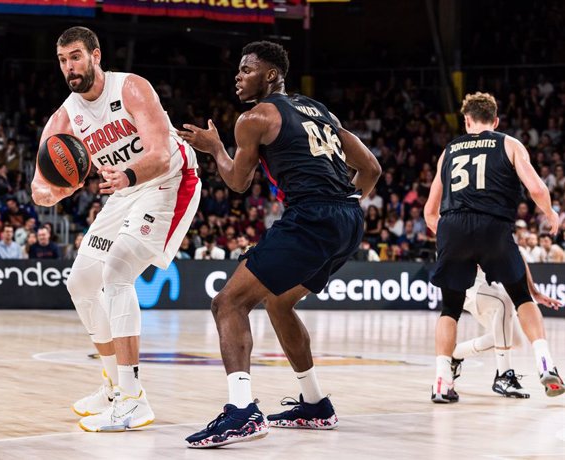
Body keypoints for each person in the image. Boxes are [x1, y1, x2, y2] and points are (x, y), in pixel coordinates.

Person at [178, 41, 380, 448]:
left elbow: (237, 182)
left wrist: (215, 148)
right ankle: (315, 403)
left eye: (246, 69)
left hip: (312, 218)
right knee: (279, 302)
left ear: (271, 76)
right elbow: (371, 168)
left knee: (228, 303)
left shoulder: (253, 118)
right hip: (349, 219)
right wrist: (343, 205)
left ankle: (241, 413)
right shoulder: (321, 111)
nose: (238, 76)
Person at [30, 27, 200, 432]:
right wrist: (54, 191)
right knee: (81, 283)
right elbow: (39, 185)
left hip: (168, 181)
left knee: (117, 272)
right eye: (62, 60)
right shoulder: (64, 117)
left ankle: (133, 399)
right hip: (124, 190)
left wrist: (125, 174)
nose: (69, 67)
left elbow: (160, 154)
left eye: (75, 57)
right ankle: (111, 388)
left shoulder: (132, 89)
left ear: (95, 55)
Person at [424, 92, 564, 403]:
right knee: (521, 297)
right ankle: (545, 364)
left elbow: (430, 212)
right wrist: (550, 212)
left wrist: (450, 236)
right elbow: (538, 188)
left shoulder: (448, 152)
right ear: (496, 121)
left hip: (453, 226)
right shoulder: (509, 144)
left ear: (467, 121)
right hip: (493, 226)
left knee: (450, 309)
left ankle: (442, 382)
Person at [451, 264, 562, 398]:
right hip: (464, 280)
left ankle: (454, 354)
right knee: (503, 301)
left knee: (514, 340)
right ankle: (503, 376)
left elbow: (517, 258)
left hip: (486, 283)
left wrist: (534, 292)